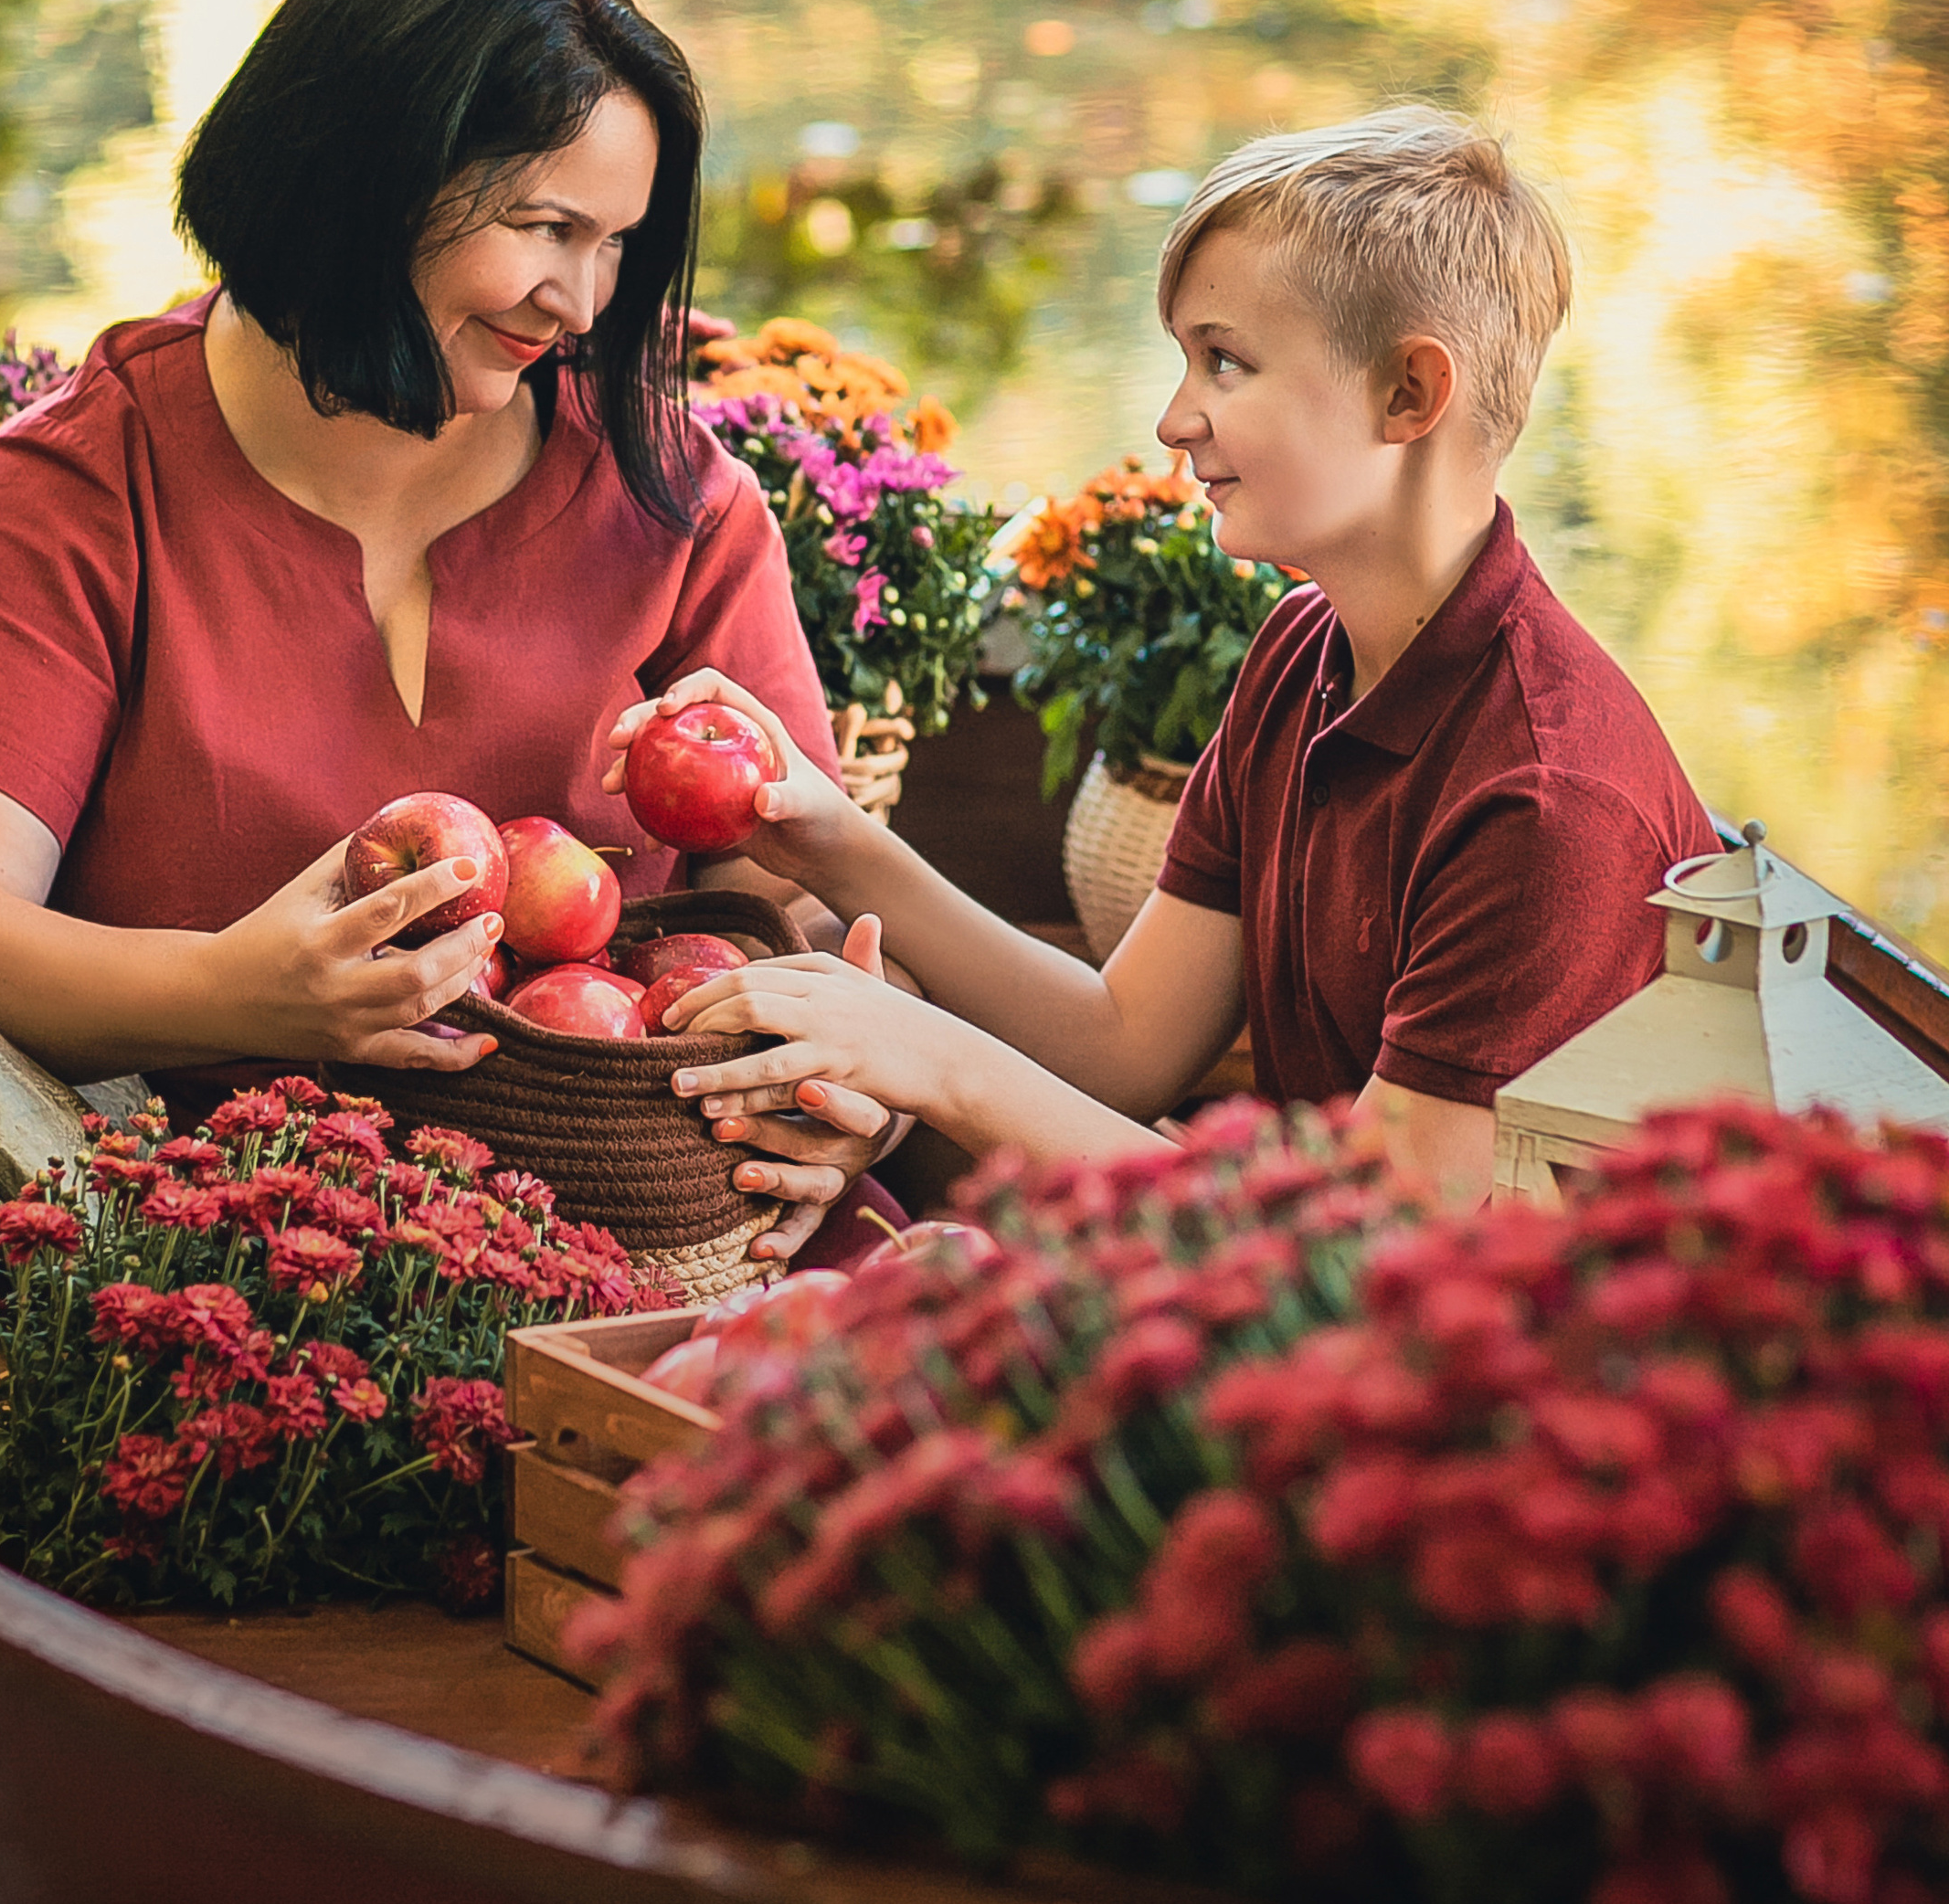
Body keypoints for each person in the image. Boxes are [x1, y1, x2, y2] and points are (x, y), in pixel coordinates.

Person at [0, 0, 881, 1257]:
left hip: (663, 1226)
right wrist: (227, 993)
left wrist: (853, 1108)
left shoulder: (672, 502)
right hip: (229, 1266)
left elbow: (819, 928)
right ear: (363, 180)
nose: (583, 299)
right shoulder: (85, 490)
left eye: (616, 243)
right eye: (545, 225)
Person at [610, 105, 1721, 1211]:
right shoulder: (1304, 651)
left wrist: (930, 1058)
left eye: (1223, 363)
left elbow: (1369, 1251)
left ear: (1408, 395)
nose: (1172, 419)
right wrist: (826, 842)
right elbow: (1124, 1041)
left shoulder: (1545, 802)